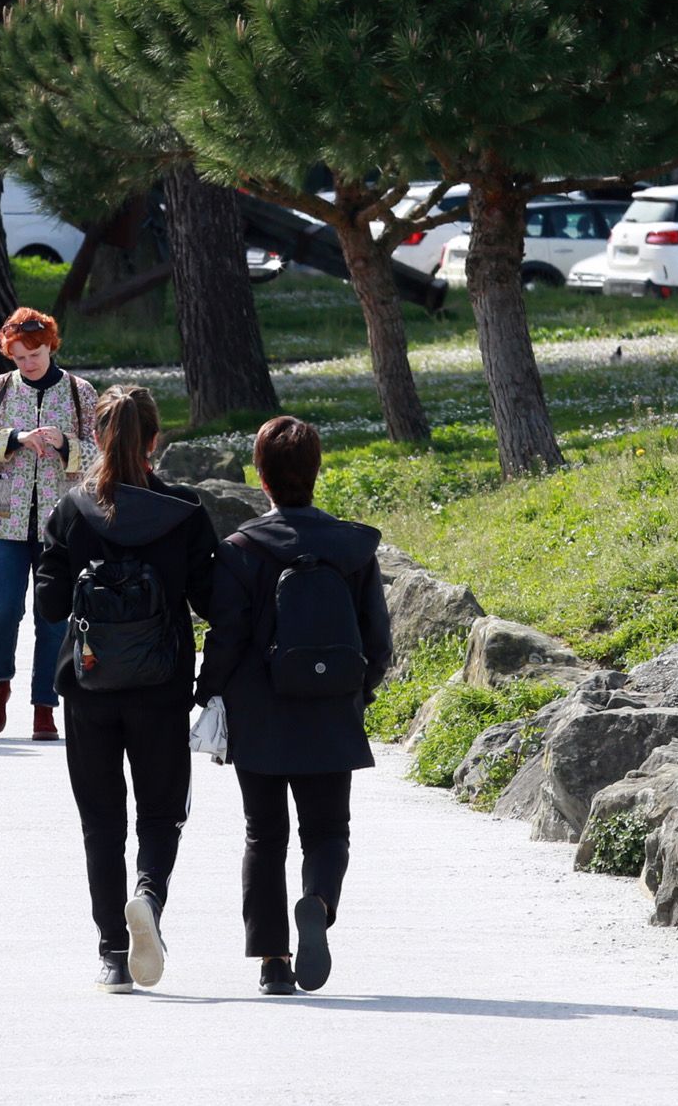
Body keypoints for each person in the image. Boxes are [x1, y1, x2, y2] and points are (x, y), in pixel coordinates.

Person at [198, 415, 394, 996]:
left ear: (260, 476)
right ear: (316, 471)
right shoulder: (352, 546)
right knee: (329, 830)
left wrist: (207, 691)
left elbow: (226, 636)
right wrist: (360, 693)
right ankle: (318, 901)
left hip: (259, 711)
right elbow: (376, 638)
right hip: (331, 706)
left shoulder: (240, 549)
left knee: (264, 834)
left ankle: (273, 961)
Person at [35, 385, 217, 990]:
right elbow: (213, 600)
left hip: (88, 685)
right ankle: (149, 895)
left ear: (100, 439)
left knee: (101, 821)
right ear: (155, 440)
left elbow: (50, 603)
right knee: (161, 813)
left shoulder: (72, 508)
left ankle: (113, 954)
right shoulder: (185, 510)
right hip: (161, 686)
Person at [0, 306, 100, 740]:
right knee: (2, 609)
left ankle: (45, 703)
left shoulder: (81, 392)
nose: (27, 363)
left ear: (50, 345)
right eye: (18, 357)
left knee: (53, 615)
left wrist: (64, 444)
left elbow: (101, 456)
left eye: (34, 354)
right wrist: (16, 439)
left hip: (60, 524)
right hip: (4, 521)